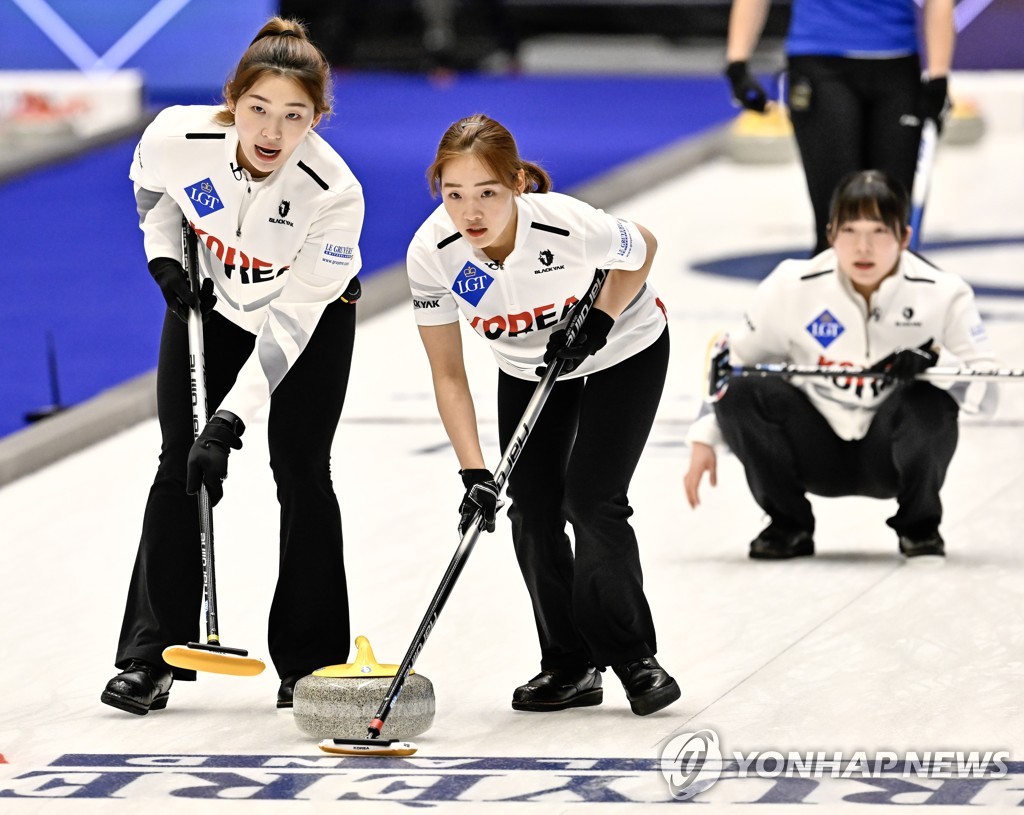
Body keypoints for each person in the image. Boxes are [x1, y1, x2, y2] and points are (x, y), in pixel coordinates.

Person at [101, 16, 364, 715]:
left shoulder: (332, 192)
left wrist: (228, 422)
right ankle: (149, 655)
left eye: (294, 115)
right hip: (210, 302)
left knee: (302, 471)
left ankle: (310, 663)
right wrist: (161, 257)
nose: (272, 132)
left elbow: (288, 327)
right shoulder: (177, 136)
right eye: (258, 110)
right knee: (175, 463)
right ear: (231, 99)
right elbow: (150, 189)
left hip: (309, 318)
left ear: (318, 116)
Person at [406, 114, 680, 717]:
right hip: (532, 372)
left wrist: (602, 317)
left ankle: (634, 656)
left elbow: (644, 247)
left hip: (622, 352)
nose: (470, 212)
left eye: (487, 194)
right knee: (530, 509)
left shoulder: (563, 221)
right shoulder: (432, 253)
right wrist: (473, 473)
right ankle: (569, 664)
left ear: (518, 183)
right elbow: (448, 373)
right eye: (454, 195)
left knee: (591, 499)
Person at [683, 170, 998, 560]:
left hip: (889, 452)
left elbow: (987, 394)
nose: (863, 247)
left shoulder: (945, 292)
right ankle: (788, 525)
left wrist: (935, 364)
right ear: (830, 234)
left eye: (879, 232)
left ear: (904, 237)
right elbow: (731, 364)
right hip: (814, 448)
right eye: (850, 231)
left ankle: (920, 526)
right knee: (743, 390)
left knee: (931, 401)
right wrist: (702, 438)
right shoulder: (790, 284)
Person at [724, 0, 955, 254]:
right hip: (820, 60)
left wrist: (938, 76)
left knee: (891, 216)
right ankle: (830, 287)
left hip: (897, 64)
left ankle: (890, 290)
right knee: (836, 214)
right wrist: (738, 64)